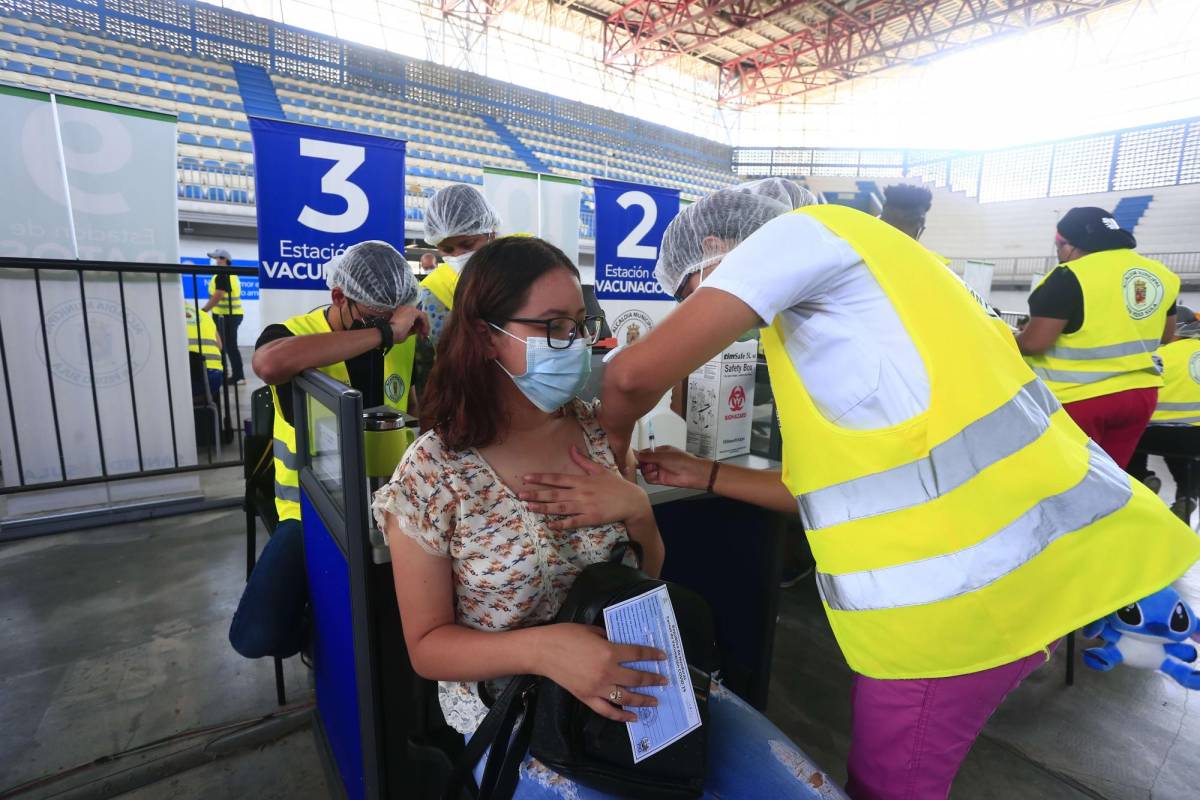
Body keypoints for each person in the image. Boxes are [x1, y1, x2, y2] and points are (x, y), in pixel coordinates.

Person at [594, 181, 1200, 800]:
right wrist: (707, 475)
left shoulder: (802, 234)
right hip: (1017, 584)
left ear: (722, 244)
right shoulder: (863, 298)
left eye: (696, 291)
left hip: (955, 609)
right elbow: (828, 492)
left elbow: (631, 375)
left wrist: (612, 441)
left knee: (891, 787)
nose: (704, 311)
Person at [372, 236, 842, 799]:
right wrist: (546, 649)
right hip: (514, 707)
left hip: (638, 675)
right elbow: (427, 647)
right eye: (552, 326)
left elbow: (644, 571)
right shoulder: (431, 473)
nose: (573, 344)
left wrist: (639, 512)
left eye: (578, 324)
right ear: (484, 336)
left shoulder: (593, 434)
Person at [228, 241, 428, 659]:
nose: (390, 327)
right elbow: (268, 365)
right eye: (375, 316)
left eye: (395, 316)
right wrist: (382, 334)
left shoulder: (404, 340)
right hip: (310, 510)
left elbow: (416, 412)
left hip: (390, 507)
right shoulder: (295, 334)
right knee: (255, 635)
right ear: (339, 297)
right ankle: (317, 640)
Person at [1016, 207, 1178, 468]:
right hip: (1139, 397)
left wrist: (1005, 336)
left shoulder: (1069, 276)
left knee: (1065, 476)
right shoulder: (1160, 274)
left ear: (1068, 244)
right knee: (1110, 478)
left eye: (1058, 245)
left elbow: (1035, 343)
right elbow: (1166, 335)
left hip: (1080, 398)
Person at [1128, 306, 1200, 519]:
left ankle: (1142, 478)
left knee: (1128, 435)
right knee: (1188, 460)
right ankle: (1188, 496)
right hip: (1197, 437)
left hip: (1154, 435)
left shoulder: (1156, 355)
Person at [202, 248, 245, 385]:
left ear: (225, 260)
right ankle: (232, 375)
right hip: (227, 315)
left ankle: (237, 376)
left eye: (218, 258)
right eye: (215, 258)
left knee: (229, 346)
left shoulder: (223, 274)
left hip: (227, 316)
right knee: (227, 346)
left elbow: (219, 294)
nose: (216, 261)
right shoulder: (229, 274)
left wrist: (203, 310)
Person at [185, 304, 223, 399]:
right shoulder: (204, 315)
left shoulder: (166, 315)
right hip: (214, 377)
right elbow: (220, 346)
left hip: (189, 378)